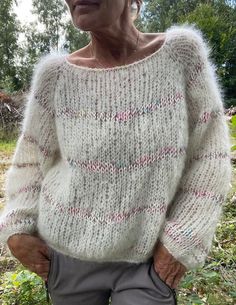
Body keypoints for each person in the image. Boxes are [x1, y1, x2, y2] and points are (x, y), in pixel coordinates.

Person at [0, 0, 232, 304]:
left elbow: (209, 154)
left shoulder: (180, 54)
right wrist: (16, 229)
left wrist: (183, 239)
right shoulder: (54, 76)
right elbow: (31, 160)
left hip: (148, 263)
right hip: (67, 258)